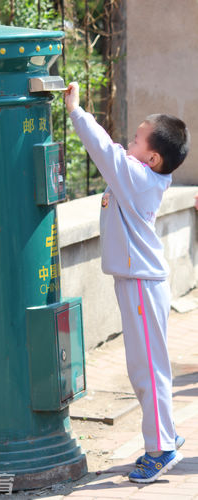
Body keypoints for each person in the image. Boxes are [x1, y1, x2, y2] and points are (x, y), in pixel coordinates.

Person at [64, 82, 190, 484]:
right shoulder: (144, 177)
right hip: (139, 281)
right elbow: (114, 154)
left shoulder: (136, 177)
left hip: (141, 284)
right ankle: (165, 434)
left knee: (147, 370)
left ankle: (161, 449)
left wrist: (76, 111)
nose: (127, 143)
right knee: (150, 366)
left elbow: (103, 151)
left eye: (136, 140)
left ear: (152, 158)